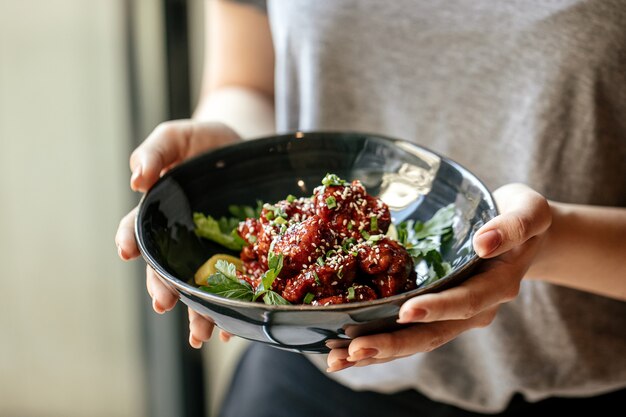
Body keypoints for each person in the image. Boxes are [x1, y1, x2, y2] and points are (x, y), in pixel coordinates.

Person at [115, 0, 626, 415]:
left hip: (580, 382)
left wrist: (550, 240)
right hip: (311, 375)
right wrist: (225, 157)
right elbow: (247, 81)